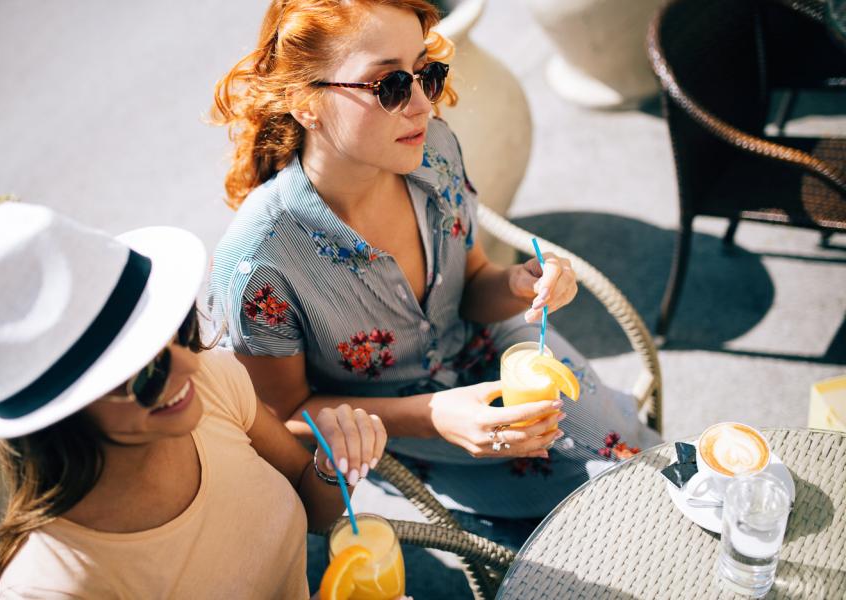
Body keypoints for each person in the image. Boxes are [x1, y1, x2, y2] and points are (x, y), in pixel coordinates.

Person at [209, 0, 661, 536]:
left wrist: (518, 284)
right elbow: (285, 417)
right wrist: (433, 417)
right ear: (306, 103)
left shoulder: (435, 150)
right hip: (403, 429)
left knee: (638, 467)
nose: (424, 105)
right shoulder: (260, 263)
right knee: (596, 525)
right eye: (390, 85)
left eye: (426, 72)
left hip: (499, 348)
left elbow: (472, 284)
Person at [0, 203, 387, 599]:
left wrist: (330, 467)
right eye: (147, 370)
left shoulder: (210, 382)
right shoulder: (52, 586)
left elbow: (314, 507)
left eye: (179, 331)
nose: (187, 364)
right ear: (59, 417)